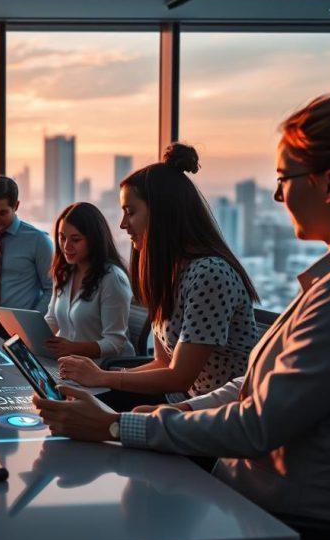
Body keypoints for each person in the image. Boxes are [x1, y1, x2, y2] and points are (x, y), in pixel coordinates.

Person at [35, 66, 330, 540]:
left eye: (284, 178)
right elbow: (248, 388)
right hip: (247, 497)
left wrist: (117, 427)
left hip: (282, 521)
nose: (278, 195)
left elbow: (257, 424)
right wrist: (151, 419)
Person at [58, 144, 260, 410]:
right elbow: (163, 363)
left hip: (213, 415)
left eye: (130, 212)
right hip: (181, 400)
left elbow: (179, 376)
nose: (122, 224)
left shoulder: (210, 274)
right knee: (76, 400)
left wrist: (102, 377)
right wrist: (99, 381)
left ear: (162, 213)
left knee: (89, 411)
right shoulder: (171, 272)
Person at [44, 202, 134, 362]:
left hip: (102, 371)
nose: (66, 246)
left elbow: (115, 343)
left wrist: (72, 348)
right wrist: (27, 335)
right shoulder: (64, 272)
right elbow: (52, 320)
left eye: (75, 240)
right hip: (67, 366)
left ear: (94, 240)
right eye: (62, 238)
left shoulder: (112, 278)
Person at [0, 176, 53, 340]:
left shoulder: (38, 241)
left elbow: (51, 289)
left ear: (16, 206)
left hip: (21, 330)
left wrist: (32, 321)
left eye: (1, 213)